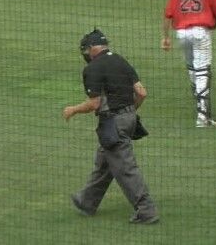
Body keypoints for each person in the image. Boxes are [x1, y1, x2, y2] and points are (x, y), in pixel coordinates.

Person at [63, 29, 159, 224]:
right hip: (129, 118)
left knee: (125, 168)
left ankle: (146, 210)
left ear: (91, 49)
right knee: (104, 163)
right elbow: (141, 92)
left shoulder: (93, 68)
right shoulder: (120, 60)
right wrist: (130, 111)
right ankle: (87, 201)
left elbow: (95, 103)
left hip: (113, 123)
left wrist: (73, 109)